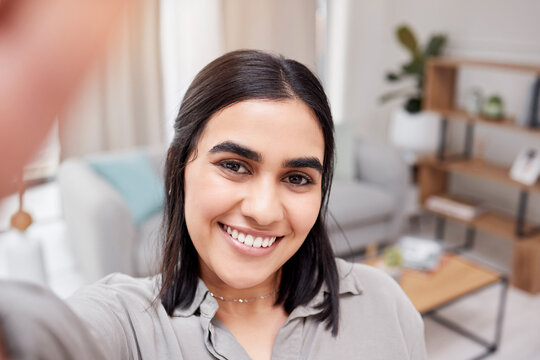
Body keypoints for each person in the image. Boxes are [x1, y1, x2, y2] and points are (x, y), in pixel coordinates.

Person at [66, 50, 427, 360]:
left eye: (297, 178)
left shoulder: (384, 303)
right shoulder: (123, 323)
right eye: (234, 166)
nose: (264, 210)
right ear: (179, 168)